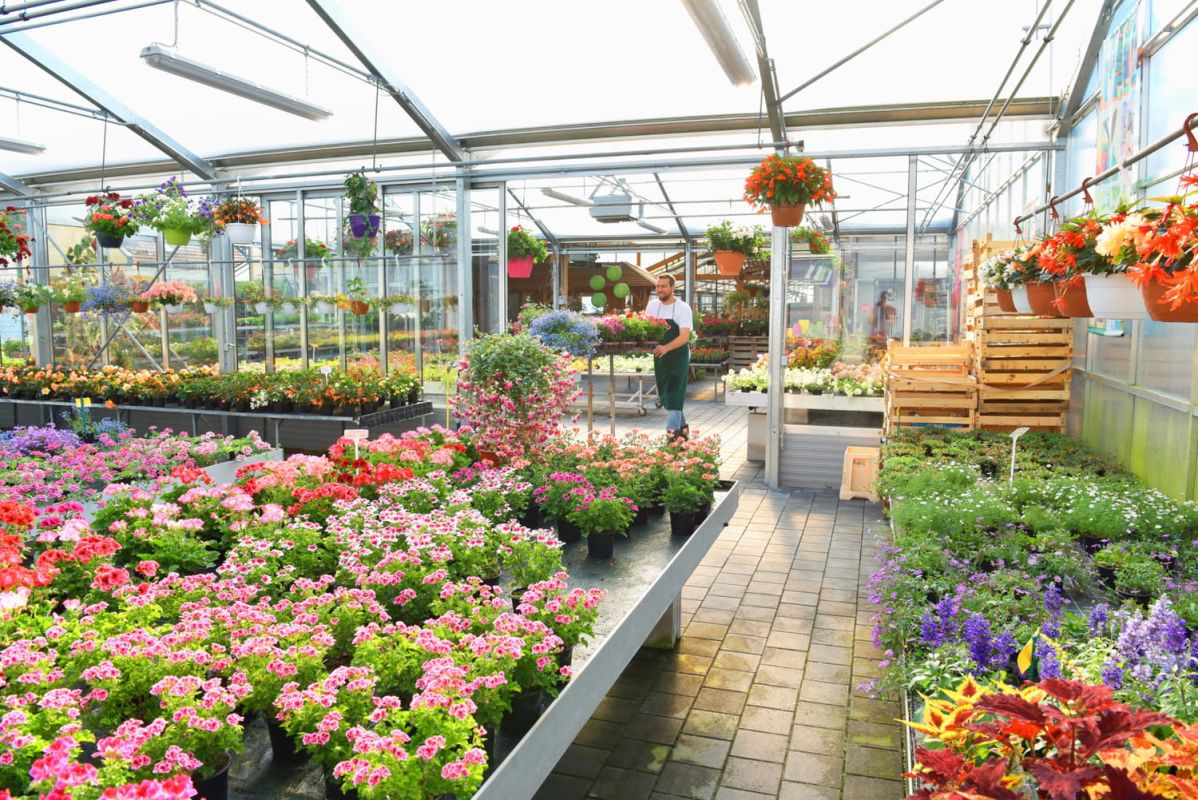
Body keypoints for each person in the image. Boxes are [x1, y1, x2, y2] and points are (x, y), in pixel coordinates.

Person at [646, 274, 693, 440]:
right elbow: (647, 329)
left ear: (673, 288)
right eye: (658, 286)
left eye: (664, 286)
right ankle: (683, 428)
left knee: (674, 391)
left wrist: (666, 347)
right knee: (666, 391)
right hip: (660, 355)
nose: (660, 289)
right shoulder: (652, 306)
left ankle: (672, 434)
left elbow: (684, 337)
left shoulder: (683, 308)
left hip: (678, 356)